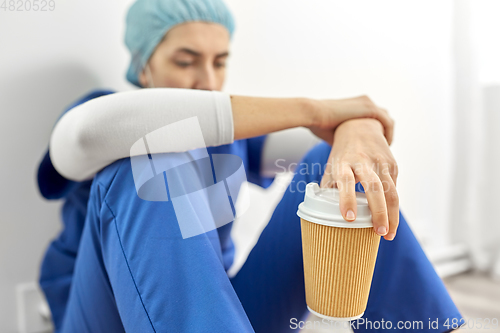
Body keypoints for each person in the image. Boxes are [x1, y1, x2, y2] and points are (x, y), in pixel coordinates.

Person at [36, 0, 463, 332]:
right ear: (143, 64)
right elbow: (83, 135)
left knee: (329, 165)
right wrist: (318, 110)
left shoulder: (229, 138)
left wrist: (356, 129)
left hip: (219, 315)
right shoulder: (104, 115)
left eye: (219, 62)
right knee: (147, 155)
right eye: (185, 62)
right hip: (108, 318)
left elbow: (329, 141)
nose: (207, 80)